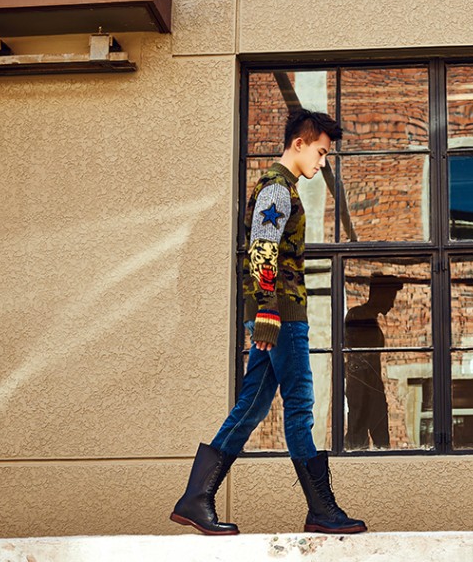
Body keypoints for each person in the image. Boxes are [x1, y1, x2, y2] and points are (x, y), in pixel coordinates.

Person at [170, 109, 366, 535]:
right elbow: (262, 250)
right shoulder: (276, 189)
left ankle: (195, 499)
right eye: (320, 152)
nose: (322, 162)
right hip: (282, 314)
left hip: (276, 312)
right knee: (299, 404)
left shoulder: (281, 188)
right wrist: (268, 311)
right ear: (299, 143)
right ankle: (322, 510)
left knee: (253, 405)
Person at [344, 274, 403, 449]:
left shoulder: (366, 317)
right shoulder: (359, 316)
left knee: (378, 435)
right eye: (390, 297)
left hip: (371, 383)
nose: (392, 304)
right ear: (379, 295)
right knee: (360, 434)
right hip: (363, 383)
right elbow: (357, 358)